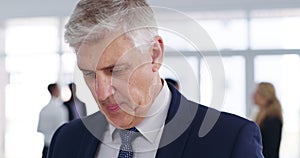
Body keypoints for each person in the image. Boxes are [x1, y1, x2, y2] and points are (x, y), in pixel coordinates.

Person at [47, 0, 264, 157]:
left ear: (154, 55)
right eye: (89, 74)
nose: (102, 93)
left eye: (116, 70)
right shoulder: (66, 141)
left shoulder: (228, 141)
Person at [37, 83, 68, 158]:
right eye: (58, 89)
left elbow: (40, 129)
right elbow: (65, 129)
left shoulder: (44, 110)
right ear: (54, 91)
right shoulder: (61, 109)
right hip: (57, 146)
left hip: (46, 145)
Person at [253, 82, 283, 158]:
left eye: (257, 92)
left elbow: (270, 149)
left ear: (265, 96)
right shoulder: (262, 115)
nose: (253, 95)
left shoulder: (272, 119)